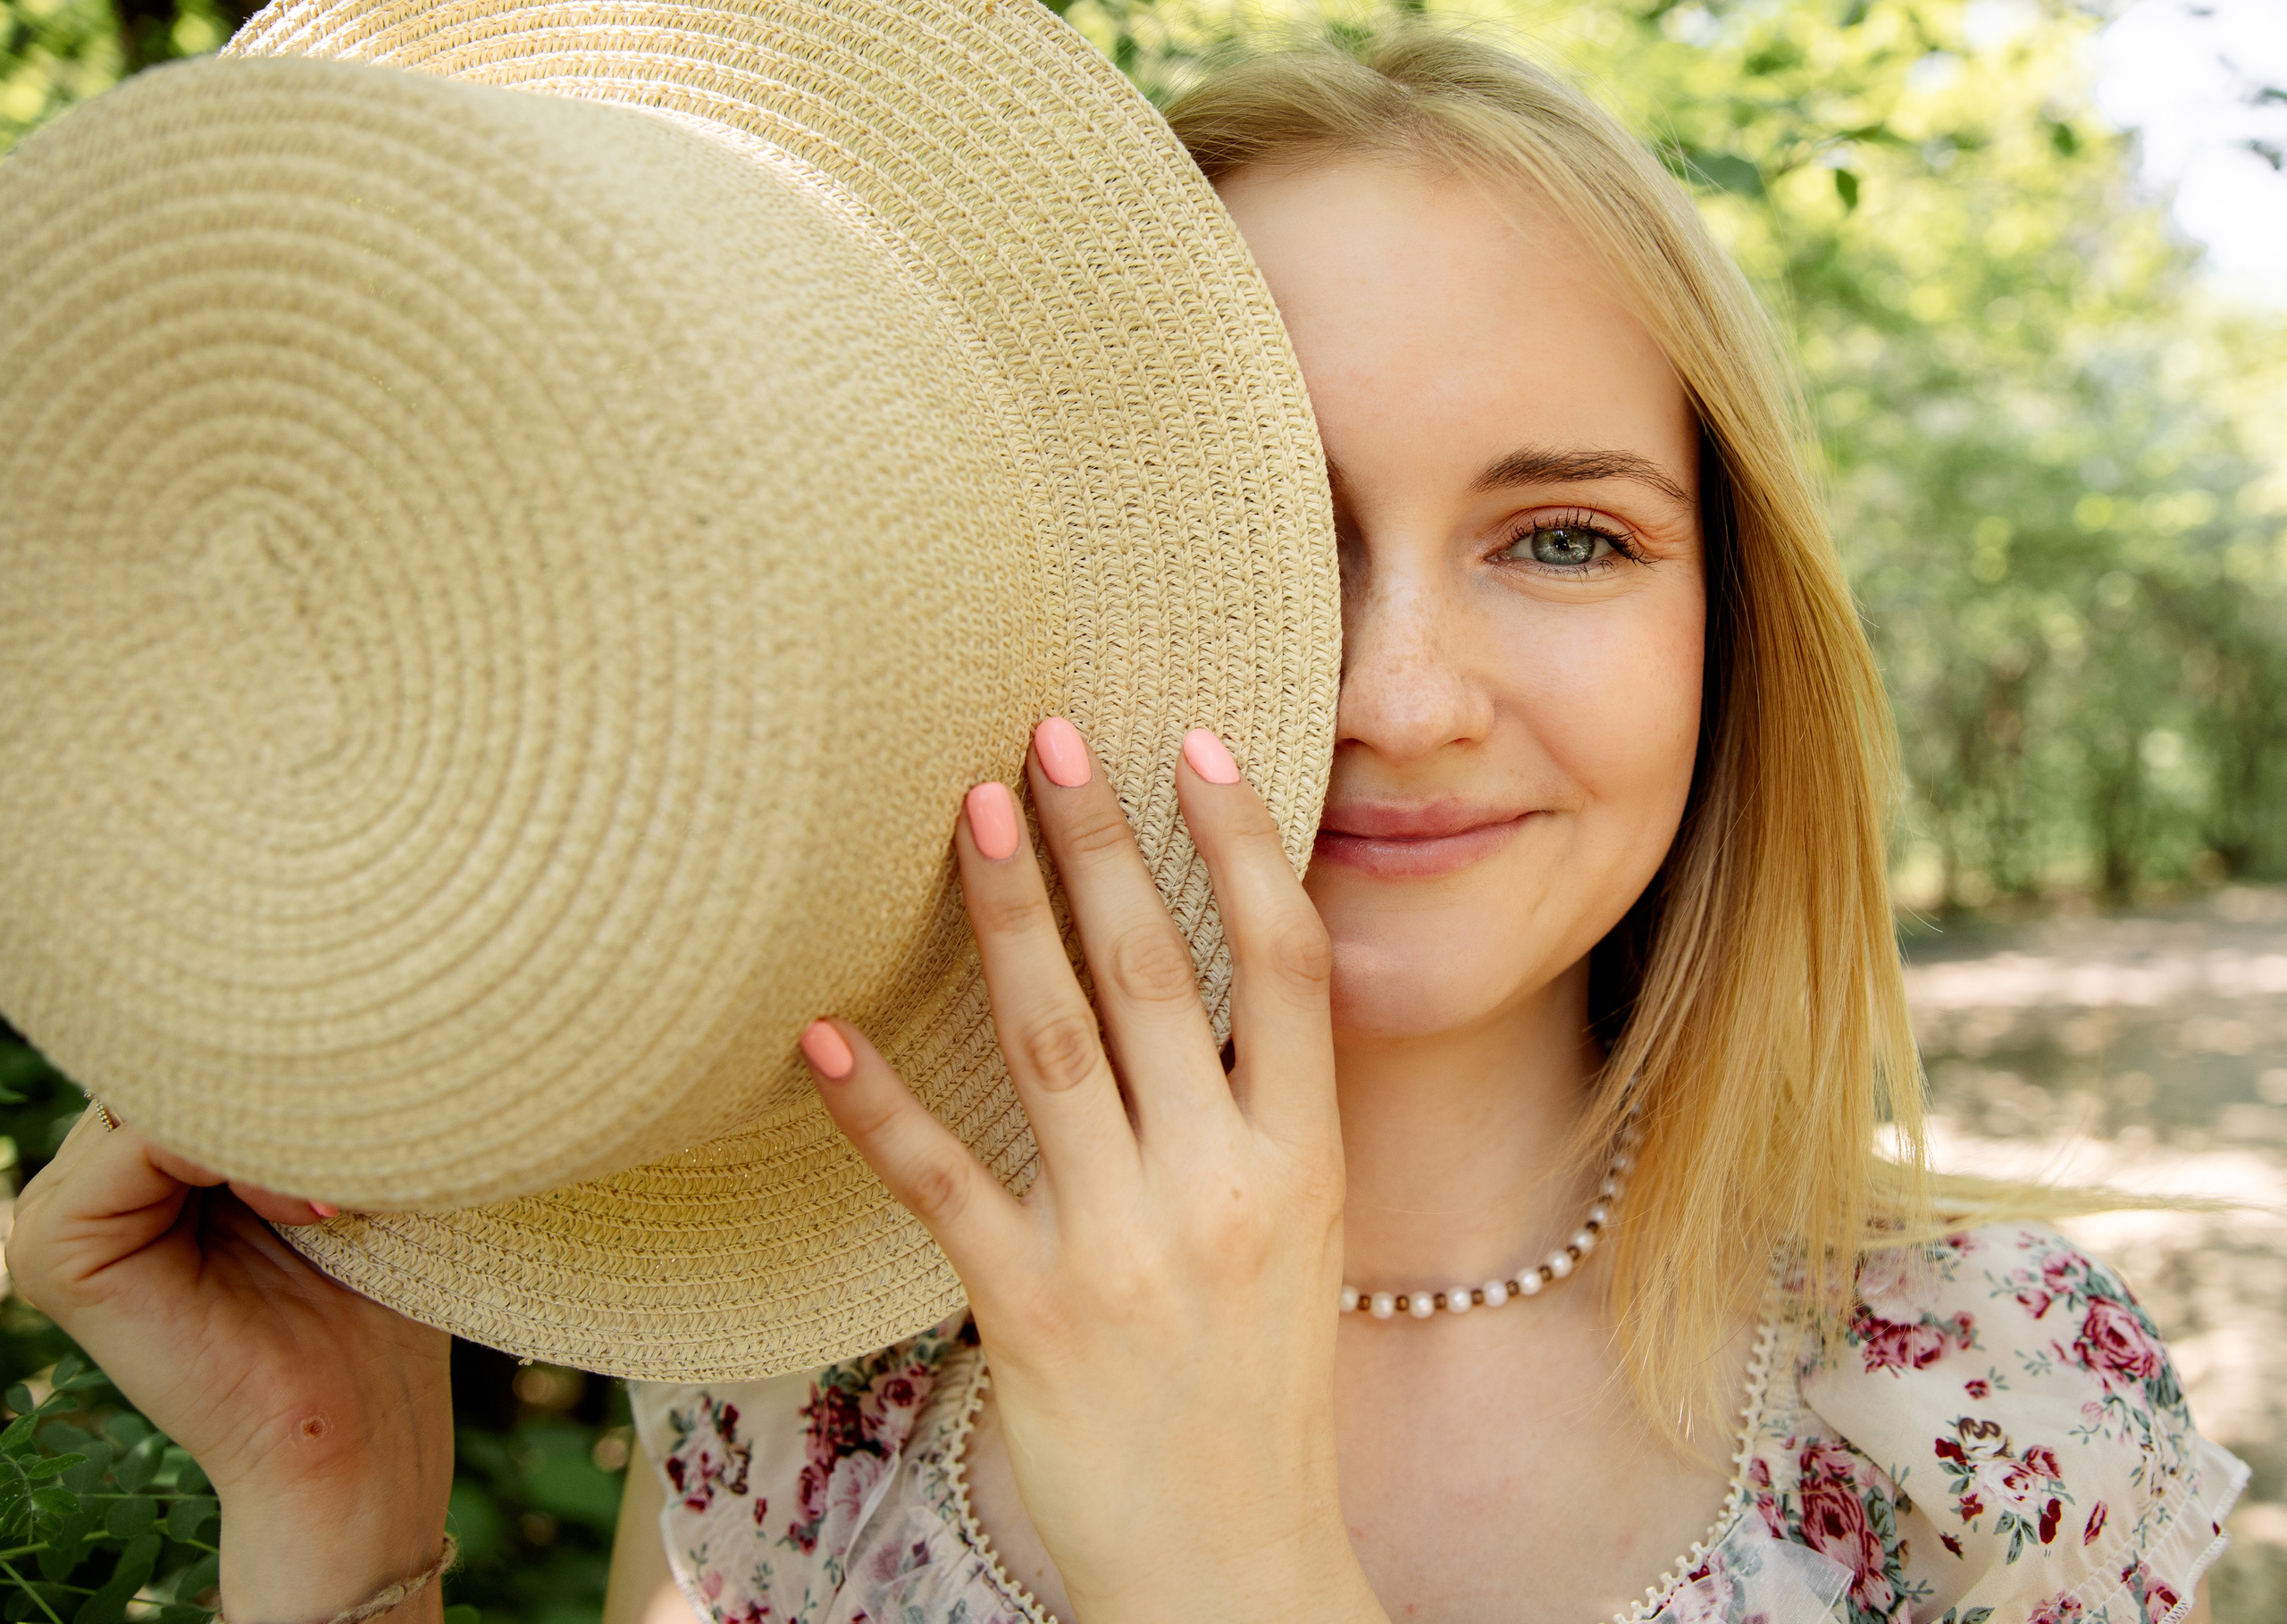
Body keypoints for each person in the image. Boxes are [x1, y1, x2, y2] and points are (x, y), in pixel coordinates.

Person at [4, 28, 2243, 1624]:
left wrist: (1231, 1573)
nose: (1395, 699)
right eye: (1275, 540)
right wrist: (338, 1534)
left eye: (1559, 538)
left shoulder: (1984, 1417)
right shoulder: (810, 1416)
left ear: (1725, 631)